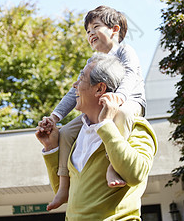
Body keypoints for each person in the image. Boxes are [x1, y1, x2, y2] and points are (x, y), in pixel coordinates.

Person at [41, 6, 146, 209]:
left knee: (121, 114)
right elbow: (75, 92)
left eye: (95, 27)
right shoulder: (93, 61)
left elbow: (131, 75)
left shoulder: (125, 51)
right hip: (99, 108)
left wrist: (119, 97)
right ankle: (63, 186)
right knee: (65, 134)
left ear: (114, 30)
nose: (90, 34)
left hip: (130, 102)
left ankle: (113, 166)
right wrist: (55, 117)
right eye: (87, 31)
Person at [36, 53, 157, 221]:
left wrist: (106, 124)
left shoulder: (135, 127)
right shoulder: (74, 137)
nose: (74, 85)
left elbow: (136, 174)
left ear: (99, 89)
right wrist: (50, 148)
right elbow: (65, 193)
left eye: (81, 79)